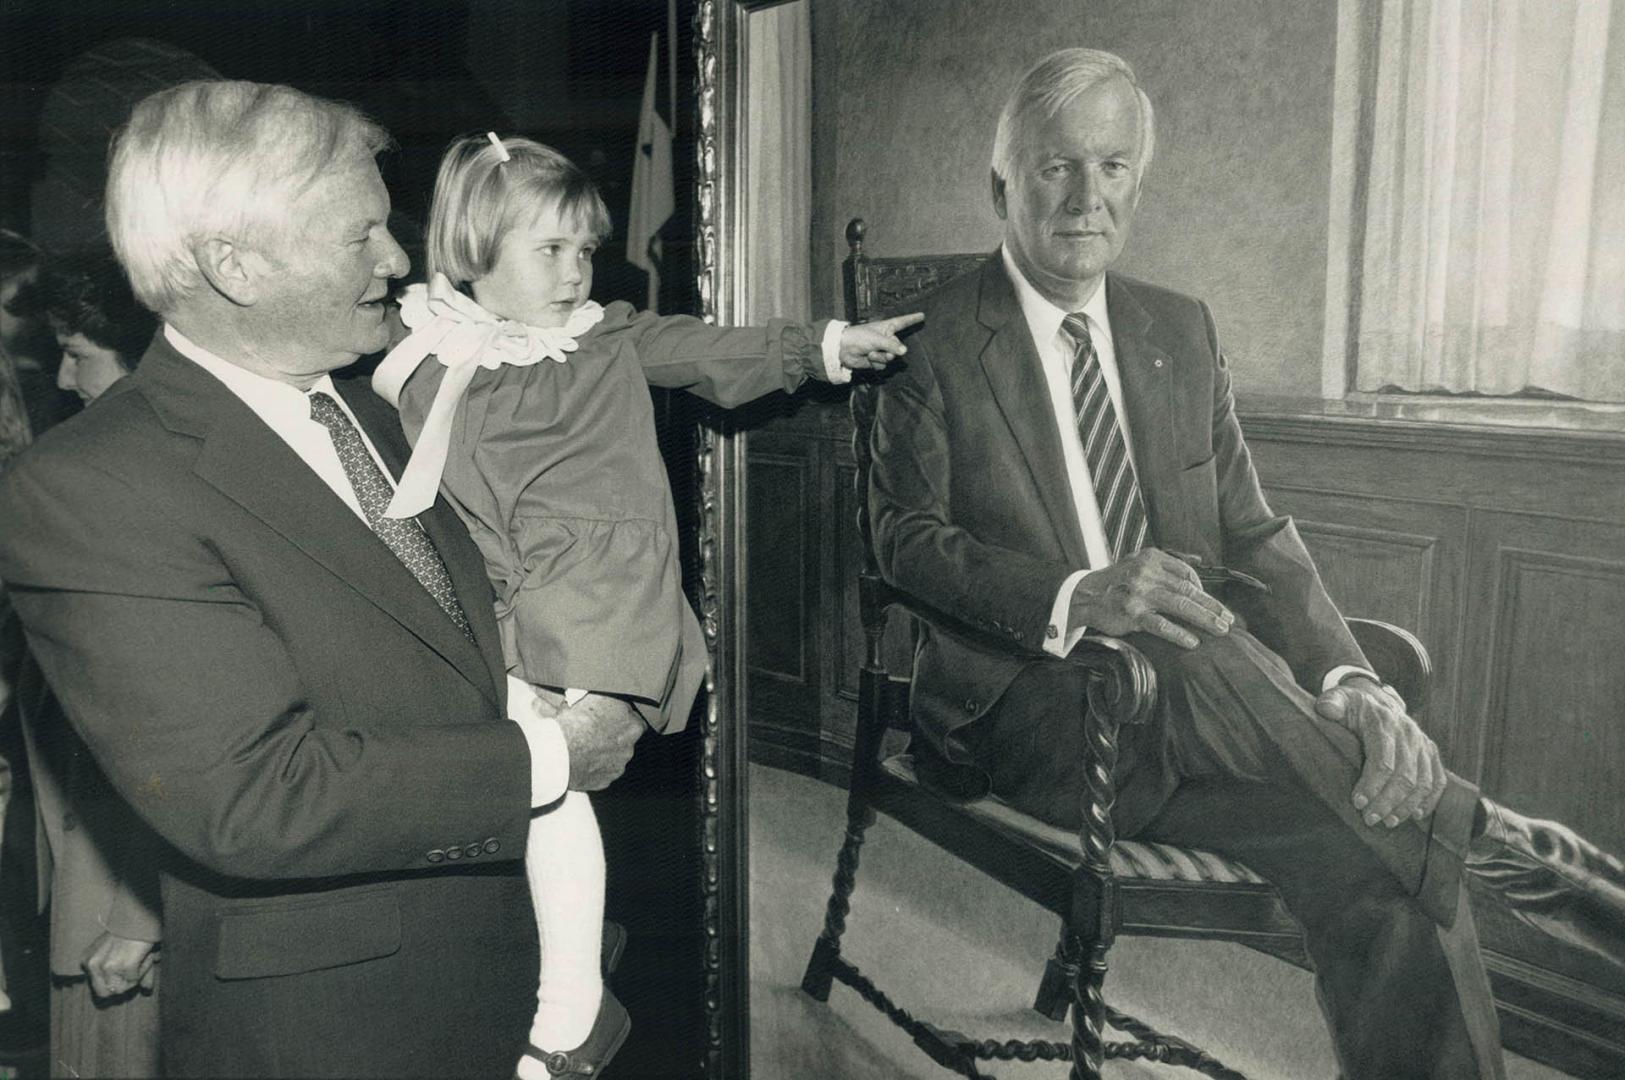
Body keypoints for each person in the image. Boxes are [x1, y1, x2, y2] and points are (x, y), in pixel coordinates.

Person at [866, 48, 1625, 1080]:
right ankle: (1491, 837)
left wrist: (1354, 684)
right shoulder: (929, 341)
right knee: (1185, 634)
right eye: (1055, 169)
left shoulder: (1174, 326)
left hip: (1214, 722)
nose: (1087, 198)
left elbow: (1255, 536)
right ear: (1001, 184)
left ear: (1138, 177)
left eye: (1113, 166)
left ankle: (1431, 819)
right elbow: (900, 541)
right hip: (1026, 714)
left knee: (1381, 864)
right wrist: (1081, 594)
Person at [0, 79, 647, 1079]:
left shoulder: (381, 407)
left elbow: (445, 649)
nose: (399, 259)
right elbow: (253, 799)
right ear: (235, 265)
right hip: (338, 1037)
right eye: (363, 235)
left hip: (509, 999)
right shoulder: (90, 488)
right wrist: (554, 759)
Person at [372, 132, 920, 1079]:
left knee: (552, 788)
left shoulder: (604, 338)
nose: (576, 272)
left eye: (585, 250)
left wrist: (825, 346)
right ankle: (527, 970)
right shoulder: (421, 352)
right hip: (495, 599)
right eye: (550, 251)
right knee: (489, 779)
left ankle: (572, 1004)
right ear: (471, 251)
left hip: (599, 600)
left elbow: (706, 350)